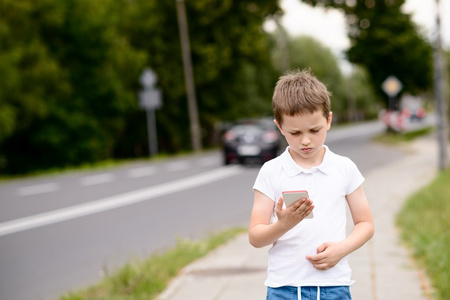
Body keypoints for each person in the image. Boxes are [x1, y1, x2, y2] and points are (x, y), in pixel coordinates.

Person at [248, 69, 374, 300]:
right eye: (294, 132)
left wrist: (342, 249)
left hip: (334, 285)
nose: (305, 140)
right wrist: (283, 224)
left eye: (314, 130)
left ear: (328, 120)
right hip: (284, 288)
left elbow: (365, 223)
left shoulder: (344, 168)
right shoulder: (271, 171)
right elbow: (256, 237)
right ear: (279, 127)